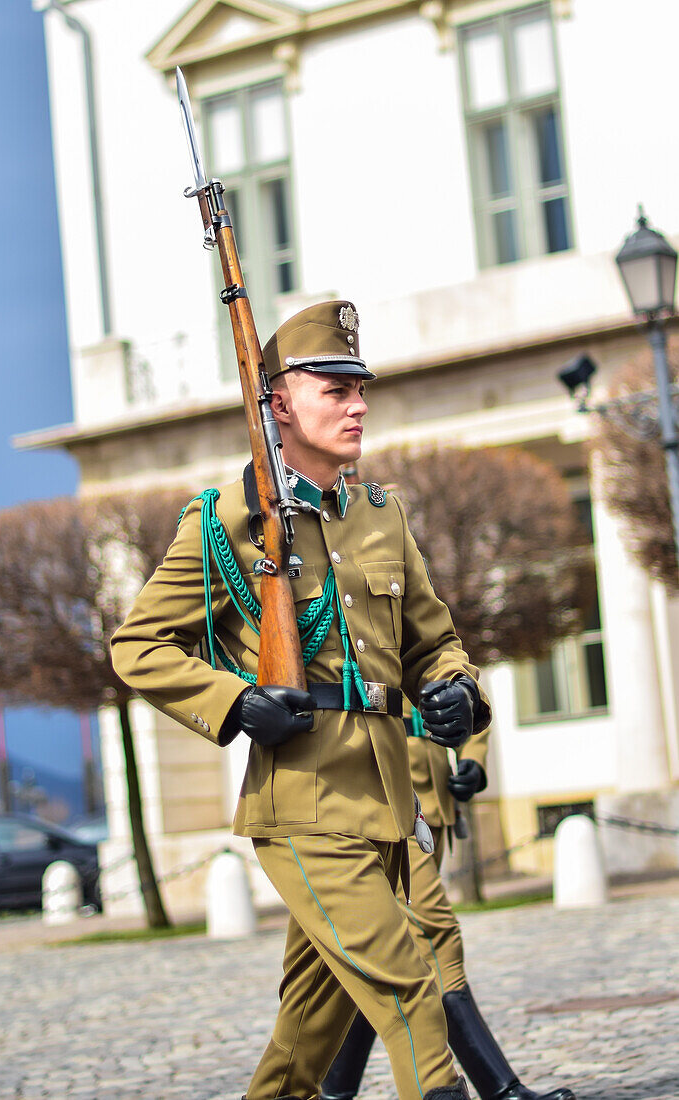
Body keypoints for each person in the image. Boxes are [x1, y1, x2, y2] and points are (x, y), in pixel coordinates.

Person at [111, 300, 492, 1100]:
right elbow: (137, 646)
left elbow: (434, 640)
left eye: (361, 390)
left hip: (387, 803)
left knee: (304, 1041)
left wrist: (456, 689)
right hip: (305, 804)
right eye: (334, 391)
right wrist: (235, 701)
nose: (357, 406)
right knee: (408, 991)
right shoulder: (225, 521)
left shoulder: (380, 516)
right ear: (278, 402)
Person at [320, 707, 576, 1100]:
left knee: (387, 958)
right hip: (383, 806)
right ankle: (501, 1089)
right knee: (436, 936)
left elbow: (461, 688)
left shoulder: (425, 642)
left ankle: (334, 1091)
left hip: (434, 809)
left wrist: (472, 757)